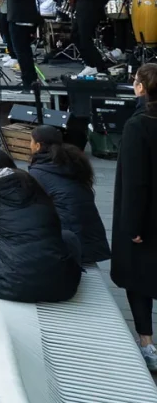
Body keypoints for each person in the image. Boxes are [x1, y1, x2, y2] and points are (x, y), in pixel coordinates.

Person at [0, 148, 82, 303]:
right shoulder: (32, 183)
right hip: (60, 285)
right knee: (69, 236)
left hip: (15, 281)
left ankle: (7, 265)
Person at [111, 63, 157, 370]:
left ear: (140, 87)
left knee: (138, 278)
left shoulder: (138, 125)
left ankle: (147, 343)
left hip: (146, 216)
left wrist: (132, 225)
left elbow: (135, 181)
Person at [28, 124, 110, 265]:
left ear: (38, 146)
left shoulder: (39, 172)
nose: (29, 144)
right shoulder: (71, 161)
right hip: (89, 235)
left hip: (69, 239)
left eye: (31, 141)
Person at [71, 0, 117, 75]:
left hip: (91, 11)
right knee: (76, 36)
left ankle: (96, 66)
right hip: (82, 9)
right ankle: (91, 63)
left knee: (85, 38)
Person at [1, 0, 38, 90]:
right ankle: (30, 80)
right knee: (23, 51)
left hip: (20, 16)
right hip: (21, 15)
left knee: (22, 52)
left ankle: (29, 82)